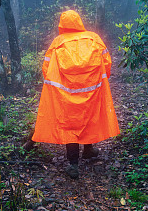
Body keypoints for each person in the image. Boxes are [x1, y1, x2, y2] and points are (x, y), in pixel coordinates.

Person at [31, 10, 120, 179]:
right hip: (92, 90)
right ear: (79, 22)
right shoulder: (94, 38)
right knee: (89, 118)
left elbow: (46, 68)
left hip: (65, 94)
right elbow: (107, 62)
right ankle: (88, 149)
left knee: (70, 125)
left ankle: (73, 164)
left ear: (61, 25)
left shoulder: (58, 43)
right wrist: (98, 81)